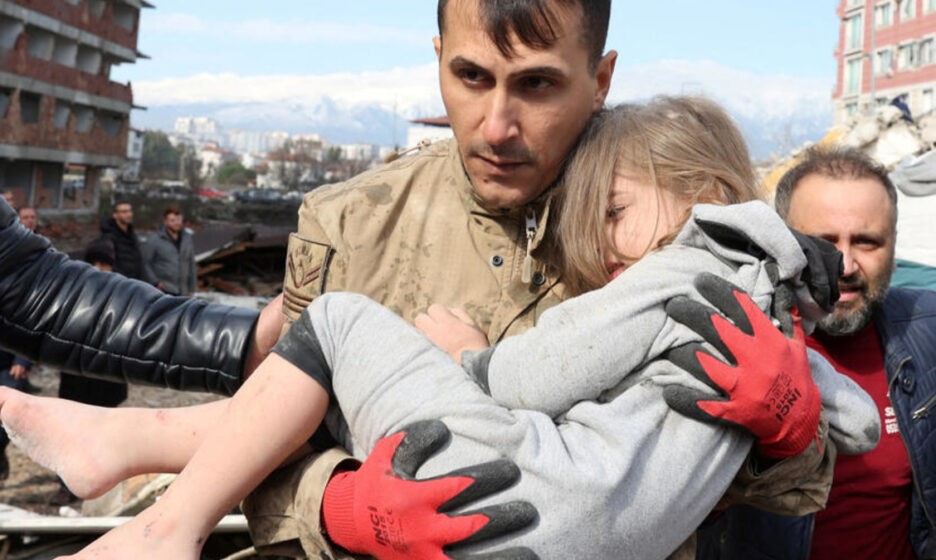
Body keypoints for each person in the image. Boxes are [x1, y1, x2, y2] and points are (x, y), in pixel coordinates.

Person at [0, 2, 834, 557]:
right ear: (438, 57)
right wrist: (337, 505)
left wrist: (791, 440)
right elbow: (263, 441)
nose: (497, 124)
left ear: (602, 78)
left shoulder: (656, 209)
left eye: (538, 84)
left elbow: (775, 491)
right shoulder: (349, 223)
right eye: (471, 77)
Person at [696, 147, 936, 560]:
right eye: (822, 243)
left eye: (867, 242)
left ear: (894, 249)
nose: (845, 265)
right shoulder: (723, 341)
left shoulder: (925, 327)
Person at [142, 206, 197, 296]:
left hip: (183, 291)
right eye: (172, 220)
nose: (176, 223)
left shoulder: (187, 239)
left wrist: (192, 288)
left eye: (178, 220)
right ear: (165, 221)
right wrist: (155, 282)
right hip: (164, 290)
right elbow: (145, 263)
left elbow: (191, 264)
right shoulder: (155, 239)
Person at [100, 200, 152, 284]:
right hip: (121, 285)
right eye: (124, 212)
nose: (129, 214)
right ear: (115, 215)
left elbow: (139, 261)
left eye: (130, 211)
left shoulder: (132, 236)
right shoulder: (108, 238)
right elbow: (108, 266)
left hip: (137, 284)